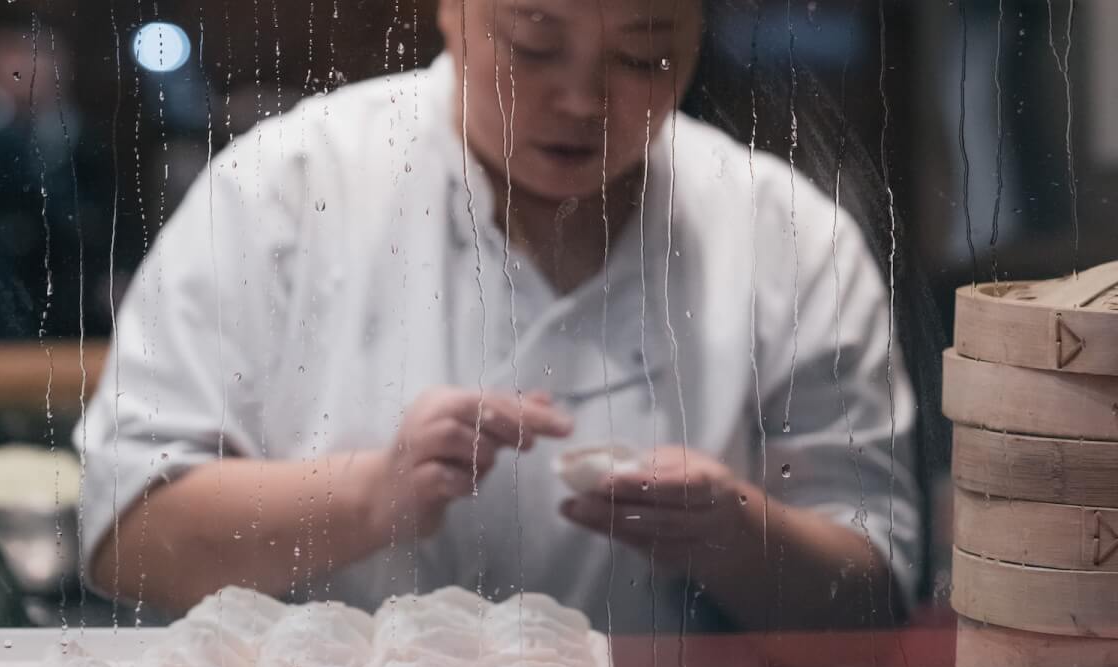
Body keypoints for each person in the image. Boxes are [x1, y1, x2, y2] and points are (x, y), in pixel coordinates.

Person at [78, 0, 920, 634]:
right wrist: (369, 495)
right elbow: (125, 534)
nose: (583, 99)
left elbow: (878, 595)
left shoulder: (786, 235)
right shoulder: (287, 187)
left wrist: (734, 532)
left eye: (643, 56)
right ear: (451, 10)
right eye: (534, 45)